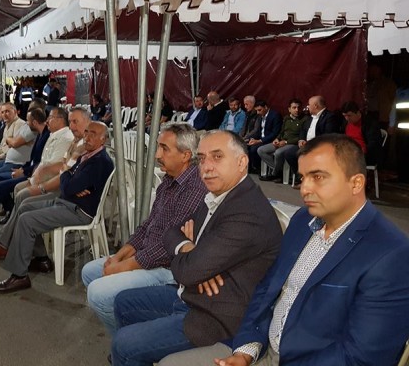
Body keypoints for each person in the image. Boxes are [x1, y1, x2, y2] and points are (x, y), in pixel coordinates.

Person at [160, 134, 409, 366]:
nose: (304, 189)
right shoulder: (303, 220)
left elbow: (362, 356)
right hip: (262, 348)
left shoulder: (390, 253)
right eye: (303, 178)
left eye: (318, 177)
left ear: (356, 183)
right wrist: (246, 349)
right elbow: (267, 290)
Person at [110, 130, 283, 366]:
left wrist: (192, 260)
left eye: (217, 157)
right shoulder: (218, 195)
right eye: (201, 159)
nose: (206, 167)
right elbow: (172, 232)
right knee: (123, 303)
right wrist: (188, 248)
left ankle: (128, 356)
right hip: (192, 295)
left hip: (215, 316)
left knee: (124, 344)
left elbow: (187, 272)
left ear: (242, 162)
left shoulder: (247, 211)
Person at [82, 123, 208, 335]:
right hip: (147, 256)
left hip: (167, 269)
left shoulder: (194, 189)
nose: (157, 154)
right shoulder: (169, 181)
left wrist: (124, 266)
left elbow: (167, 247)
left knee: (98, 293)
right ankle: (127, 332)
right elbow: (148, 225)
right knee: (89, 272)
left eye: (164, 149)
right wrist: (119, 256)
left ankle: (126, 341)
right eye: (158, 147)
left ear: (186, 155)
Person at [0, 121, 114, 293]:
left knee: (27, 220)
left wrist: (66, 173)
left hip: (79, 211)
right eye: (86, 132)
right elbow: (69, 183)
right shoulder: (87, 155)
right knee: (25, 207)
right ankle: (41, 259)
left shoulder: (99, 162)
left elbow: (67, 183)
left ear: (103, 140)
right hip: (69, 202)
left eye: (93, 134)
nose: (87, 137)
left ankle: (19, 276)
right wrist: (70, 178)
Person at [0, 107, 90, 262]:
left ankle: (5, 244)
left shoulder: (75, 142)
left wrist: (41, 183)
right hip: (51, 183)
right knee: (18, 196)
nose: (72, 126)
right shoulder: (72, 140)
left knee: (23, 200)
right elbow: (62, 169)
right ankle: (12, 245)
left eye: (75, 122)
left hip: (64, 195)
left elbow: (62, 172)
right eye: (71, 122)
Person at [257, 98, 303, 182]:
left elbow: (301, 136)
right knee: (261, 150)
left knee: (278, 153)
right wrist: (277, 139)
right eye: (294, 108)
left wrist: (286, 142)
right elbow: (281, 131)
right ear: (289, 109)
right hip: (281, 141)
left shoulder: (304, 119)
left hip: (292, 143)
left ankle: (274, 174)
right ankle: (279, 171)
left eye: (298, 108)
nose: (297, 110)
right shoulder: (286, 118)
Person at [340, 100, 383, 166]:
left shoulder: (370, 123)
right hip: (349, 151)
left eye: (349, 115)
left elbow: (374, 144)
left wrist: (359, 151)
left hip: (365, 154)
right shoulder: (346, 123)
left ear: (358, 112)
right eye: (344, 116)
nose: (347, 118)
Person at [245, 100, 282, 173]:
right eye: (257, 110)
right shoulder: (260, 116)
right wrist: (251, 139)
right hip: (261, 139)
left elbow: (274, 133)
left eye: (259, 110)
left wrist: (259, 141)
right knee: (246, 146)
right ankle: (251, 168)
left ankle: (260, 169)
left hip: (270, 140)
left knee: (254, 149)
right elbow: (259, 131)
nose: (258, 112)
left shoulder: (275, 115)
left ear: (265, 107)